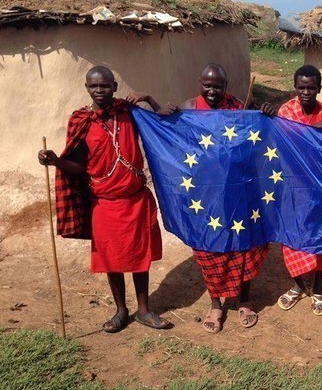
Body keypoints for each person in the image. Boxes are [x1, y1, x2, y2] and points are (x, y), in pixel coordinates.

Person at [38, 66, 169, 333]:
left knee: (139, 259)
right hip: (105, 203)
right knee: (112, 260)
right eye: (94, 86)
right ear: (87, 88)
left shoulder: (129, 112)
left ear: (115, 87)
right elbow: (79, 166)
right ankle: (121, 311)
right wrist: (56, 161)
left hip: (134, 200)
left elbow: (164, 123)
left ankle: (143, 310)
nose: (100, 91)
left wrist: (148, 98)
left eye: (105, 85)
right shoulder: (81, 121)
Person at [156, 63, 268, 333]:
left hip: (236, 191)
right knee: (209, 246)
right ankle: (216, 304)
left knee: (243, 243)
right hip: (203, 194)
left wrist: (261, 115)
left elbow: (253, 142)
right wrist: (155, 106)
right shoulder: (188, 108)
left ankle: (244, 300)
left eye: (218, 86)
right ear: (200, 83)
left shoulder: (237, 107)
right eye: (207, 85)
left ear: (225, 87)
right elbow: (169, 138)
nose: (212, 91)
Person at [260, 65, 322, 316]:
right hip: (290, 187)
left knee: (321, 236)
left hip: (319, 188)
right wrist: (268, 118)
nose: (306, 92)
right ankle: (297, 285)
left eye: (311, 88)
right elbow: (278, 142)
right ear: (295, 87)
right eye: (301, 87)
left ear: (319, 88)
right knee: (292, 238)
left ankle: (318, 287)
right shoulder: (285, 112)